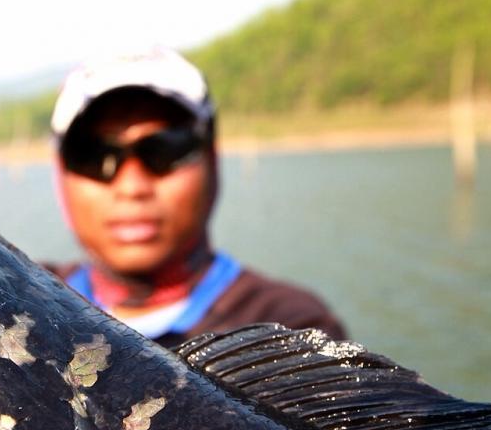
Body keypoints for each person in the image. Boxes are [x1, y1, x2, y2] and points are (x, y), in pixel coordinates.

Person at [47, 47, 346, 348]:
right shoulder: (11, 299)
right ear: (60, 174)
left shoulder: (292, 330)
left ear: (212, 162)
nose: (132, 187)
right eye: (92, 156)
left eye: (166, 150)